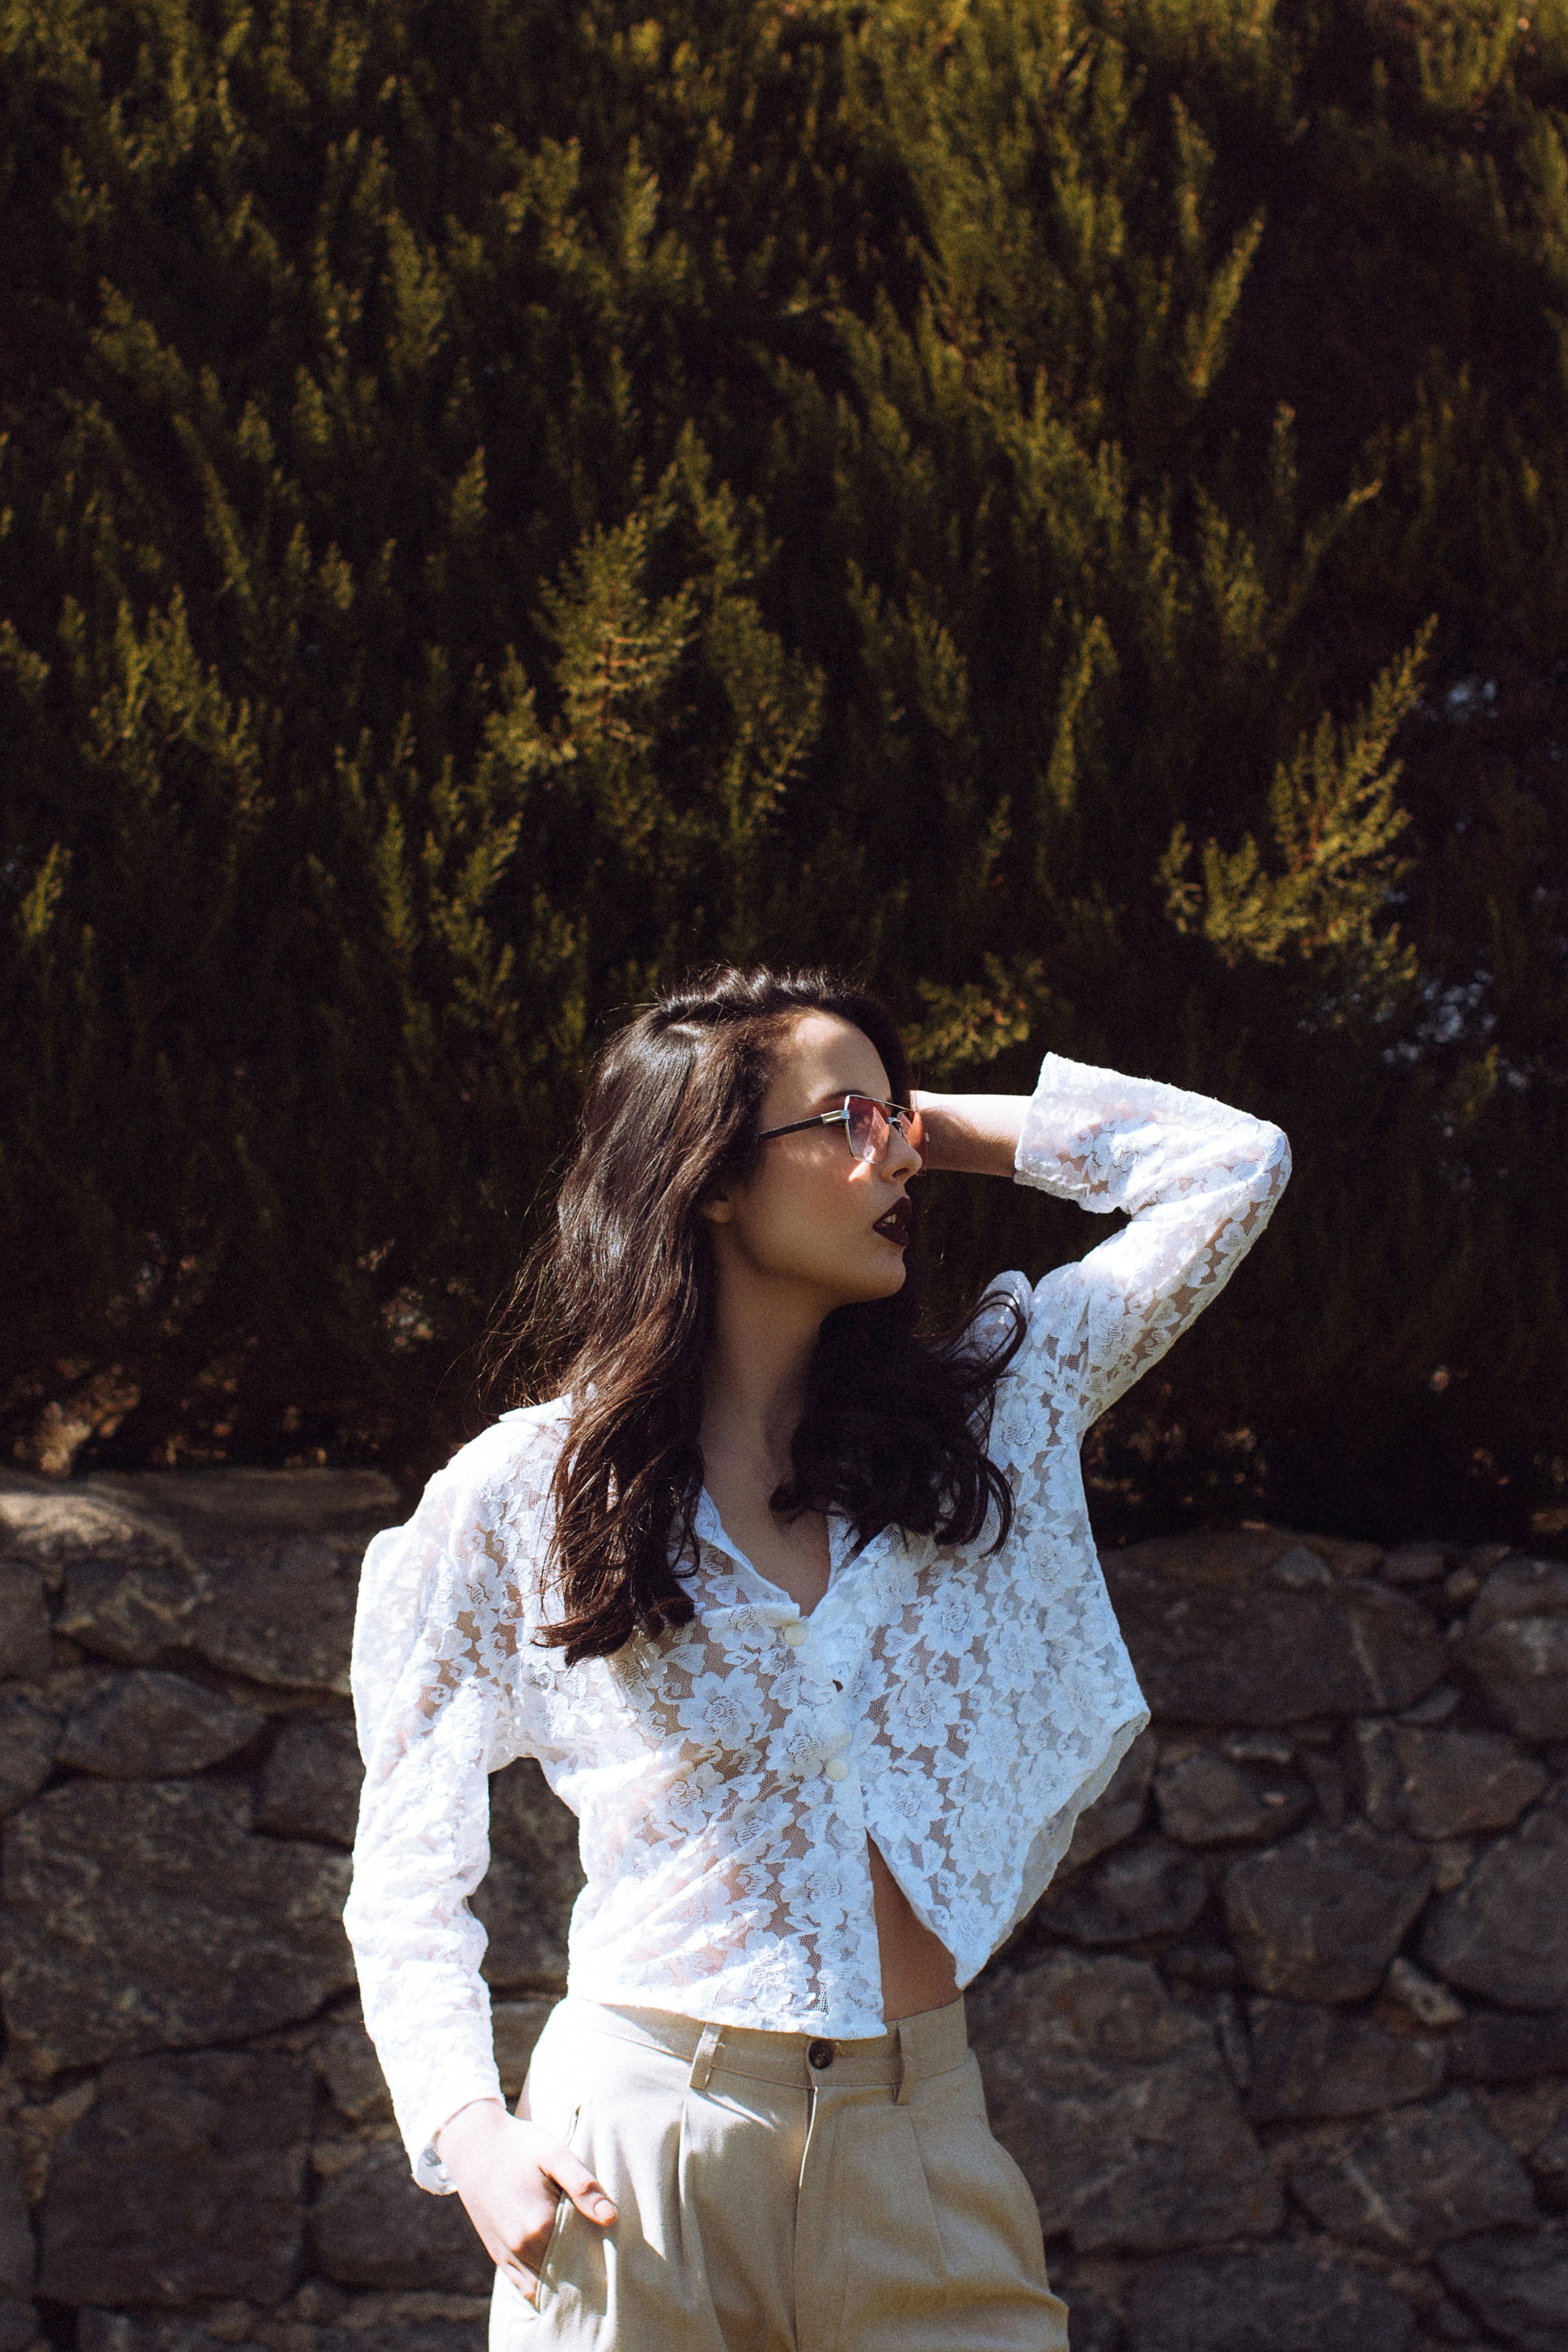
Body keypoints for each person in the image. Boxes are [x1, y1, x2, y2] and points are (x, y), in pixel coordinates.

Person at [343, 965, 1290, 2352]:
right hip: (641, 2158)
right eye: (845, 1120)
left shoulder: (981, 1418)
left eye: (895, 1120)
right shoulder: (527, 1493)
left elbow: (1234, 1167)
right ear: (712, 1175)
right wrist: (467, 2131)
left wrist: (929, 1126)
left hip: (920, 2149)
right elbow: (408, 1864)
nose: (891, 1156)